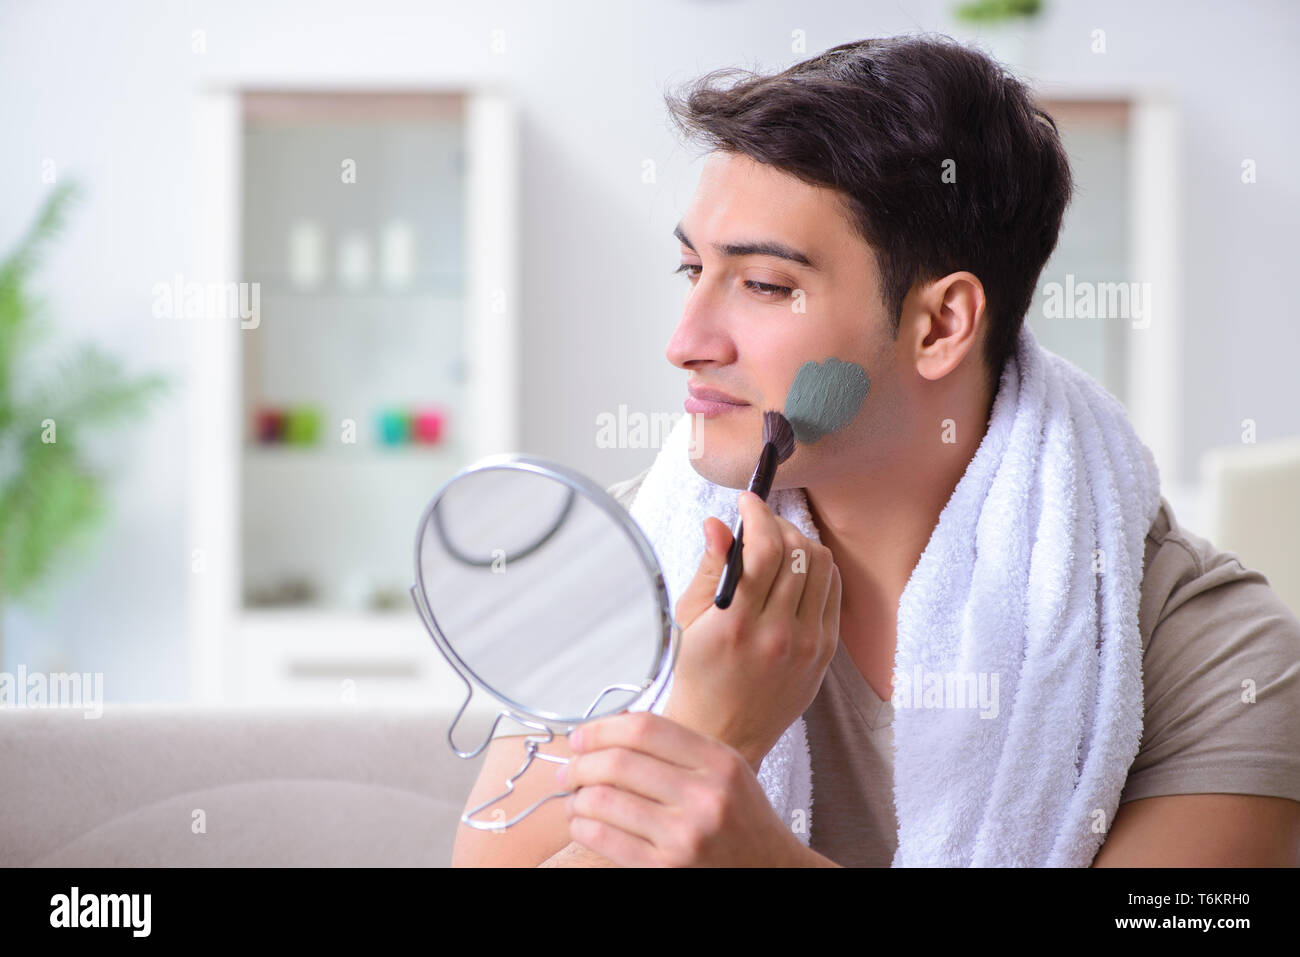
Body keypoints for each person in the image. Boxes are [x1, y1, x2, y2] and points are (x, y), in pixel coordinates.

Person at [453, 34, 1300, 867]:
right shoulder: (628, 569)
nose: (686, 341)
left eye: (765, 285)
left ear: (940, 325)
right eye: (691, 271)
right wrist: (701, 728)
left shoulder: (1216, 655)